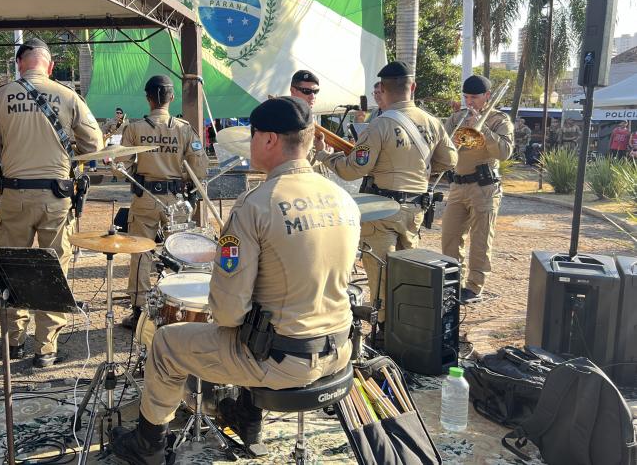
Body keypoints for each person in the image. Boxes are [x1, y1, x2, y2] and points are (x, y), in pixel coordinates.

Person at [110, 97, 358, 464]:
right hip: (339, 350)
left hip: (284, 360)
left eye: (253, 135)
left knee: (166, 343)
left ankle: (148, 446)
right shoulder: (342, 198)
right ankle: (246, 417)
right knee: (262, 317)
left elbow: (227, 313)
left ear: (270, 140)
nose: (250, 142)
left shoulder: (255, 205)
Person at [0, 38, 103, 367]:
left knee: (11, 267)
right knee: (53, 271)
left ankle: (12, 341)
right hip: (56, 197)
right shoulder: (68, 96)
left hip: (15, 197)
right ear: (48, 66)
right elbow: (95, 144)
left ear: (19, 64)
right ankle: (45, 349)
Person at [314, 61, 457, 332]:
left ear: (383, 89)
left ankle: (384, 337)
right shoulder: (432, 122)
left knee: (381, 280)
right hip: (414, 210)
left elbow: (354, 169)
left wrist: (324, 156)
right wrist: (419, 170)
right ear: (412, 87)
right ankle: (411, 331)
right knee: (409, 275)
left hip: (382, 211)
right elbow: (450, 160)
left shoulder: (380, 125)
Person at [118, 75, 208, 330]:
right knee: (180, 251)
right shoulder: (184, 128)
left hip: (145, 197)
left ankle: (139, 310)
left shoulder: (135, 128)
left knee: (141, 252)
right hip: (175, 200)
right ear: (171, 97)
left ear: (148, 98)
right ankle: (181, 307)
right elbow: (199, 167)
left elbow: (121, 166)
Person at [441, 75, 514, 303]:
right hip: (458, 185)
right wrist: (463, 127)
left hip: (484, 186)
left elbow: (504, 152)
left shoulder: (498, 120)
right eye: (467, 97)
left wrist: (481, 130)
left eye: (475, 97)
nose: (470, 102)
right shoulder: (456, 118)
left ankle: (474, 286)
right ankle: (453, 281)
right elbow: (446, 149)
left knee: (481, 240)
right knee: (450, 237)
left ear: (487, 97)